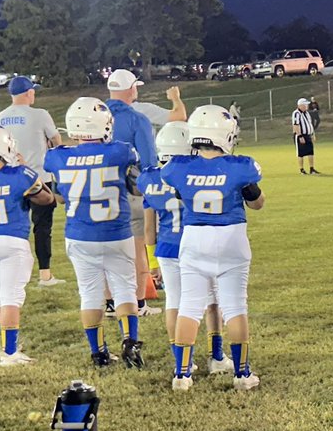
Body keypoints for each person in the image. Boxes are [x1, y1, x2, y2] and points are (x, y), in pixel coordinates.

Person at [162, 106, 264, 391]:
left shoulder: (178, 166)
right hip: (231, 237)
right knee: (235, 305)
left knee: (190, 305)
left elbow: (181, 193)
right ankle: (242, 374)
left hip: (194, 237)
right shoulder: (241, 166)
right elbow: (257, 203)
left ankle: (182, 375)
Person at [45, 98, 144, 369]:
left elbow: (60, 197)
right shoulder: (121, 151)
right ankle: (130, 343)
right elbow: (135, 184)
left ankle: (99, 353)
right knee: (125, 289)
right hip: (116, 232)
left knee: (90, 294)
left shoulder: (57, 156)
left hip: (80, 235)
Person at [138, 121, 233, 376]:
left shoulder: (148, 178)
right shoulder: (198, 173)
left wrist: (152, 263)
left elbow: (149, 229)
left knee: (176, 303)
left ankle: (182, 360)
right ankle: (217, 356)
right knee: (213, 301)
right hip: (200, 244)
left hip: (167, 248)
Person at [0, 125, 54, 366]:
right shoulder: (19, 175)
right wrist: (26, 169)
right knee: (11, 298)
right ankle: (10, 352)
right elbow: (46, 199)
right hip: (13, 240)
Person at [107, 68, 169, 318]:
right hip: (130, 191)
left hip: (98, 191)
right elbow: (149, 162)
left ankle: (110, 303)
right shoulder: (136, 119)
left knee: (107, 249)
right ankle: (139, 302)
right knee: (137, 247)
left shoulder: (94, 114)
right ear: (131, 89)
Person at [0, 76, 64, 287]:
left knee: (15, 227)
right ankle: (45, 275)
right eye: (33, 91)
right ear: (28, 93)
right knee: (42, 227)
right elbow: (57, 141)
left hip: (11, 178)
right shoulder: (40, 114)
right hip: (38, 178)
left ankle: (13, 273)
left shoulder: (1, 116)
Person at [293, 98, 319, 174]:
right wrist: (300, 136)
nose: (307, 106)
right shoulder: (296, 113)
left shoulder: (307, 113)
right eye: (305, 104)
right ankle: (302, 170)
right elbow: (296, 125)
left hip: (308, 135)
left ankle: (312, 169)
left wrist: (313, 134)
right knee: (301, 153)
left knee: (310, 152)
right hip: (301, 135)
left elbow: (310, 124)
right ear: (301, 105)